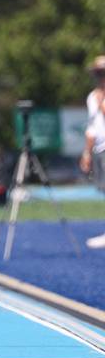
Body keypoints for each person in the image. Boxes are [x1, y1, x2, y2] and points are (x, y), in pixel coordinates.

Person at [80, 55, 105, 249]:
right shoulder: (92, 96)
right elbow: (91, 128)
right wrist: (87, 153)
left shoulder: (99, 98)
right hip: (100, 148)